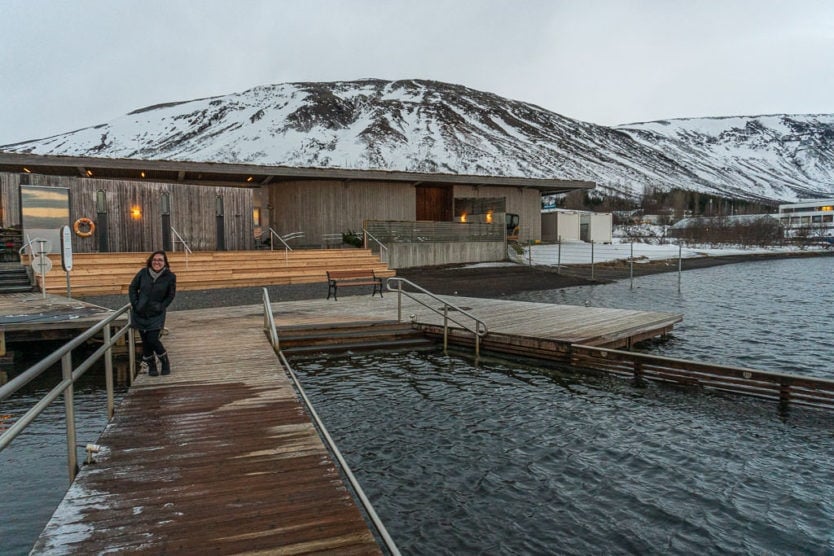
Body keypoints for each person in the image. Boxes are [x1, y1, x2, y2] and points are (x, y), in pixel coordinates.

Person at [129, 250, 177, 376]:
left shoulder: (170, 276)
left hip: (156, 313)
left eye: (160, 260)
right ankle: (152, 367)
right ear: (150, 261)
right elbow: (133, 288)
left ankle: (165, 362)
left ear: (165, 263)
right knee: (145, 341)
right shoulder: (143, 273)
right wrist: (135, 303)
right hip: (140, 311)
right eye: (155, 260)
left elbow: (170, 295)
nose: (157, 262)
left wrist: (162, 306)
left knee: (153, 339)